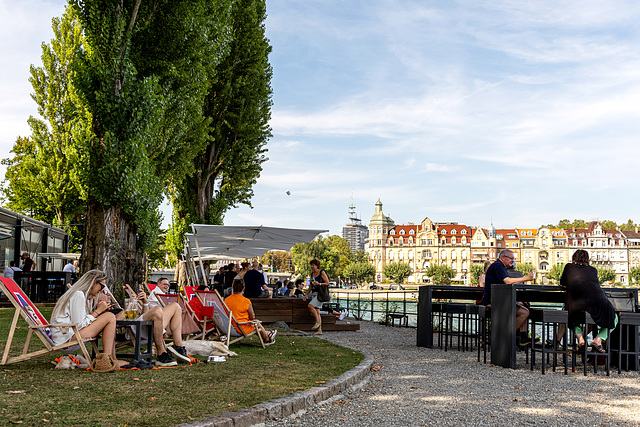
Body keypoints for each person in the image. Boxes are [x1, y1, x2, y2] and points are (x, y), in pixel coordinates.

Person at [49, 270, 128, 367]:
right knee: (109, 316)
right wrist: (98, 311)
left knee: (108, 317)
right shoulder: (78, 294)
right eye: (102, 286)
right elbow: (79, 324)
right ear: (94, 283)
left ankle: (112, 359)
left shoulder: (80, 295)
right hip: (66, 338)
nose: (102, 289)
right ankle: (107, 361)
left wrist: (99, 313)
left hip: (68, 334)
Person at [560, 249, 618, 353]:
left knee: (570, 317)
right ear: (588, 260)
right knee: (614, 318)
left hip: (576, 303)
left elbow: (563, 283)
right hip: (598, 302)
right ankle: (598, 339)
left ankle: (580, 339)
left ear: (573, 258)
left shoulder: (568, 267)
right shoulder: (593, 270)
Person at [480, 249, 533, 345]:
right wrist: (526, 278)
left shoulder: (498, 266)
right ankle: (504, 336)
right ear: (503, 258)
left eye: (514, 259)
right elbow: (508, 281)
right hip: (493, 301)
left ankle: (523, 337)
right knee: (524, 312)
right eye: (511, 258)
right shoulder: (498, 266)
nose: (513, 261)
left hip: (496, 300)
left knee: (523, 306)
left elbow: (504, 285)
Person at [130, 284, 191, 366]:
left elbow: (143, 314)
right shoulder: (110, 313)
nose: (108, 294)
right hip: (133, 327)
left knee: (176, 306)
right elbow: (120, 318)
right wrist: (129, 304)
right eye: (105, 292)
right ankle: (161, 353)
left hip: (144, 323)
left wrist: (145, 303)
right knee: (157, 310)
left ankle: (178, 346)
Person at [224, 278, 276, 345]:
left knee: (255, 323)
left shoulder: (226, 300)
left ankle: (267, 333)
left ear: (233, 288)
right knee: (257, 323)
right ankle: (267, 339)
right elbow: (252, 317)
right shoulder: (246, 301)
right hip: (240, 328)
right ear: (243, 289)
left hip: (228, 327)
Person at [303, 259, 330, 335]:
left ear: (317, 265)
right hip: (314, 293)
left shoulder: (322, 272)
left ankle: (317, 323)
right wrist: (306, 295)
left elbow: (327, 283)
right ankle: (319, 330)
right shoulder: (312, 274)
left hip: (320, 294)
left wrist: (319, 284)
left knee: (310, 306)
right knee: (317, 311)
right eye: (311, 265)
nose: (312, 266)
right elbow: (311, 286)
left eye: (313, 265)